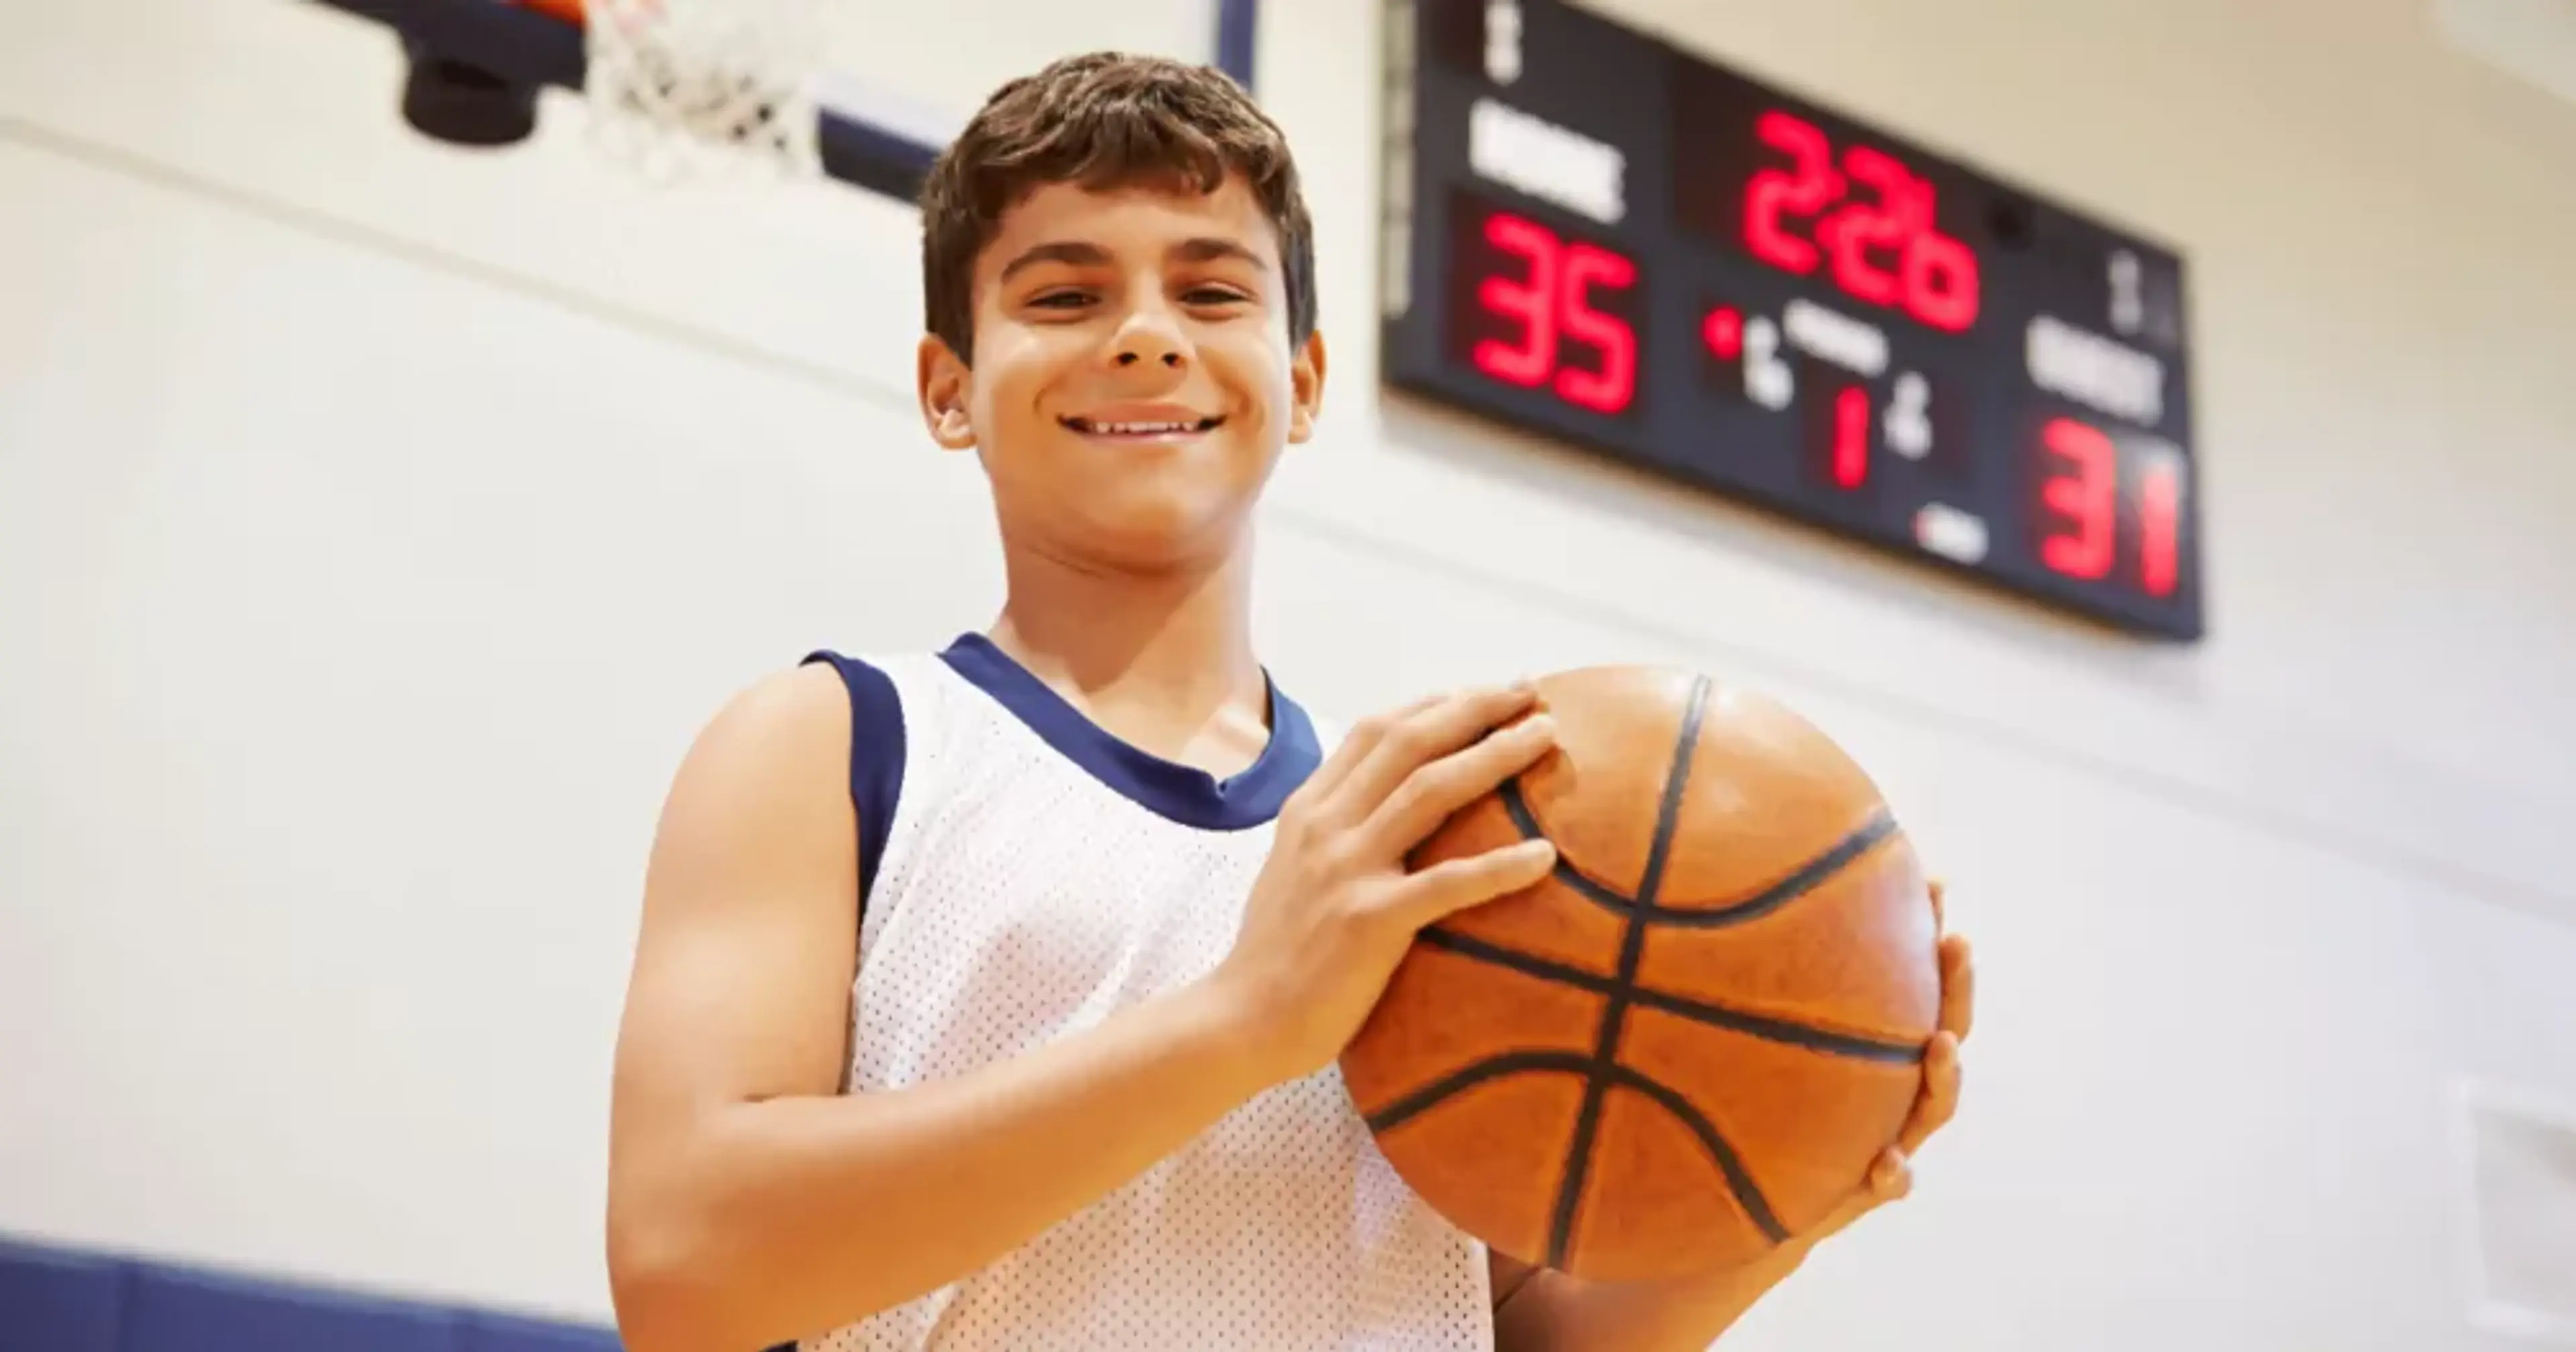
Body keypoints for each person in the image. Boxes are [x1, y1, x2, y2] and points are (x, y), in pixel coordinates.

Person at [601, 50, 1974, 1352]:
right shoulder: (835, 743)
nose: (1145, 337)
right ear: (948, 388)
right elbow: (686, 1266)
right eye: (1065, 296)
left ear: (1303, 382)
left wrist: (1785, 1194)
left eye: (1211, 294)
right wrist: (1247, 1021)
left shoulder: (1421, 834)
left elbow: (1475, 1331)